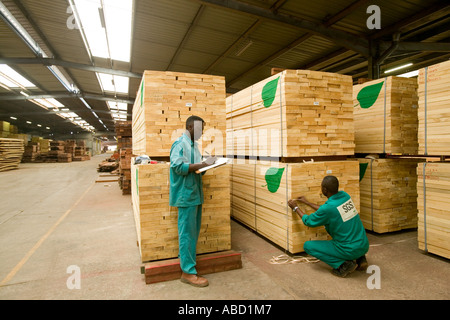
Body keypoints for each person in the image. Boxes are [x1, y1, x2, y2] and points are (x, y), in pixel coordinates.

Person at [288, 175, 369, 277]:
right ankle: (360, 258)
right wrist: (307, 202)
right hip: (363, 244)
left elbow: (308, 221)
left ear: (325, 189)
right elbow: (326, 210)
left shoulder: (328, 208)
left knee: (308, 246)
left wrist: (295, 207)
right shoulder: (345, 196)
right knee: (351, 233)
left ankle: (344, 265)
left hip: (348, 249)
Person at [169, 115, 216, 287]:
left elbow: (196, 169)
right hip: (185, 195)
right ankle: (187, 273)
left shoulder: (194, 146)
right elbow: (177, 167)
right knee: (187, 235)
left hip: (195, 194)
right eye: (200, 129)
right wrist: (202, 164)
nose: (202, 132)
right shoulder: (179, 145)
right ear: (190, 127)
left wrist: (208, 164)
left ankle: (190, 267)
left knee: (192, 234)